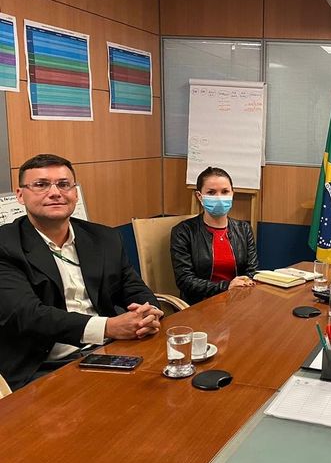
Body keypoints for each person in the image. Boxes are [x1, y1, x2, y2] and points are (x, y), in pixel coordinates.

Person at [0, 154, 163, 390]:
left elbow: (134, 288)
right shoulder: (6, 245)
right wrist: (108, 327)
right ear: (20, 195)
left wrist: (149, 313)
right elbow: (28, 315)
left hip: (111, 351)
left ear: (75, 192)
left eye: (64, 184)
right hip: (44, 366)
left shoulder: (104, 238)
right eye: (41, 185)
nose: (55, 192)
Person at [171, 166, 258, 305]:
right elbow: (185, 280)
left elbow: (252, 271)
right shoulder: (184, 231)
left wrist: (242, 287)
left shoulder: (244, 229)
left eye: (225, 192)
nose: (219, 197)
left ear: (232, 194)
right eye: (211, 192)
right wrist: (226, 287)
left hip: (238, 302)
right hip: (200, 305)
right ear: (199, 196)